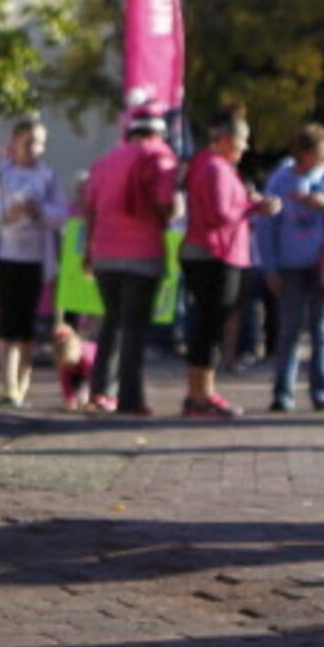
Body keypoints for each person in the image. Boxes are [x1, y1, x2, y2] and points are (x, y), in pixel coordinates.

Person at [81, 94, 183, 415]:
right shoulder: (161, 158)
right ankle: (130, 398)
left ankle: (100, 391)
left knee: (111, 321)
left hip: (104, 254)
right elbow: (166, 203)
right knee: (134, 328)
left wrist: (88, 252)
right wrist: (174, 207)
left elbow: (90, 209)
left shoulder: (105, 161)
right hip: (142, 254)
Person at [177, 109, 278, 419]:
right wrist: (254, 206)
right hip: (214, 254)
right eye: (241, 139)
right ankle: (201, 395)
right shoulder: (215, 168)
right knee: (209, 325)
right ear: (223, 139)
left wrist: (246, 202)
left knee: (206, 324)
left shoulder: (210, 166)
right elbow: (220, 214)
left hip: (212, 253)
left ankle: (199, 393)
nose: (246, 146)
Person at [0, 114, 66, 407]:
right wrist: (3, 216)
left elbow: (61, 214)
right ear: (15, 143)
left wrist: (39, 211)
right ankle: (8, 385)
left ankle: (22, 382)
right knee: (8, 322)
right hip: (4, 256)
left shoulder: (48, 177)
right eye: (28, 142)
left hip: (35, 258)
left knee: (27, 324)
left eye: (39, 143)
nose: (34, 148)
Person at [255, 122, 324, 412]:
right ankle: (283, 392)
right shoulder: (280, 181)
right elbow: (266, 227)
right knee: (288, 330)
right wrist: (270, 267)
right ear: (304, 153)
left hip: (323, 267)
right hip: (289, 266)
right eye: (321, 153)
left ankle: (323, 390)